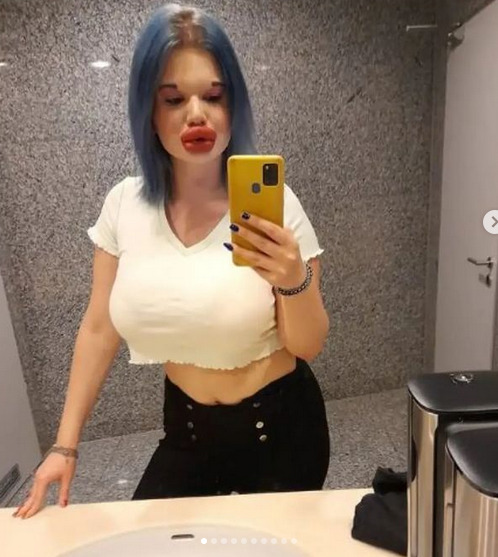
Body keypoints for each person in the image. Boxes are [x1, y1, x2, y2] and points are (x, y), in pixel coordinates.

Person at [13, 3, 330, 519]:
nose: (196, 114)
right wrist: (64, 446)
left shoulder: (276, 207)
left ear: (233, 105)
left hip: (278, 429)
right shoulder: (124, 205)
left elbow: (308, 345)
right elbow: (98, 328)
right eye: (174, 99)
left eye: (214, 96)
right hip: (185, 431)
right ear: (149, 111)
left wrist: (293, 279)